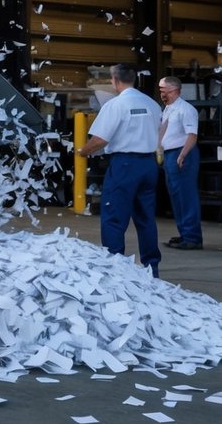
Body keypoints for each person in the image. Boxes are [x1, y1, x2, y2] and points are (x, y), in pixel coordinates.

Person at [75, 63, 162, 278]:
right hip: (149, 164)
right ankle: (152, 269)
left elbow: (100, 139)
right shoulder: (152, 104)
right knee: (146, 219)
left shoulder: (116, 105)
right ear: (134, 79)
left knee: (114, 217)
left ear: (114, 81)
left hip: (125, 165)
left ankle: (115, 270)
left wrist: (83, 151)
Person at [158, 75, 203, 250]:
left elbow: (192, 135)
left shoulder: (186, 109)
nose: (161, 93)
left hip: (183, 153)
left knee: (186, 195)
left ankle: (192, 237)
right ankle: (185, 234)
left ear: (174, 90)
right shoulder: (169, 108)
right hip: (171, 154)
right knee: (176, 196)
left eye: (163, 90)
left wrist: (183, 155)